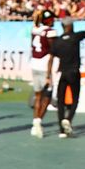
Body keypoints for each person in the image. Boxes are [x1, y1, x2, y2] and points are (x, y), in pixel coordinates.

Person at [29, 10, 57, 139]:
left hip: (34, 63)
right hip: (45, 65)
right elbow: (53, 51)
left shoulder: (35, 30)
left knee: (38, 95)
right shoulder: (50, 32)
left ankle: (35, 120)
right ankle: (38, 121)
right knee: (47, 96)